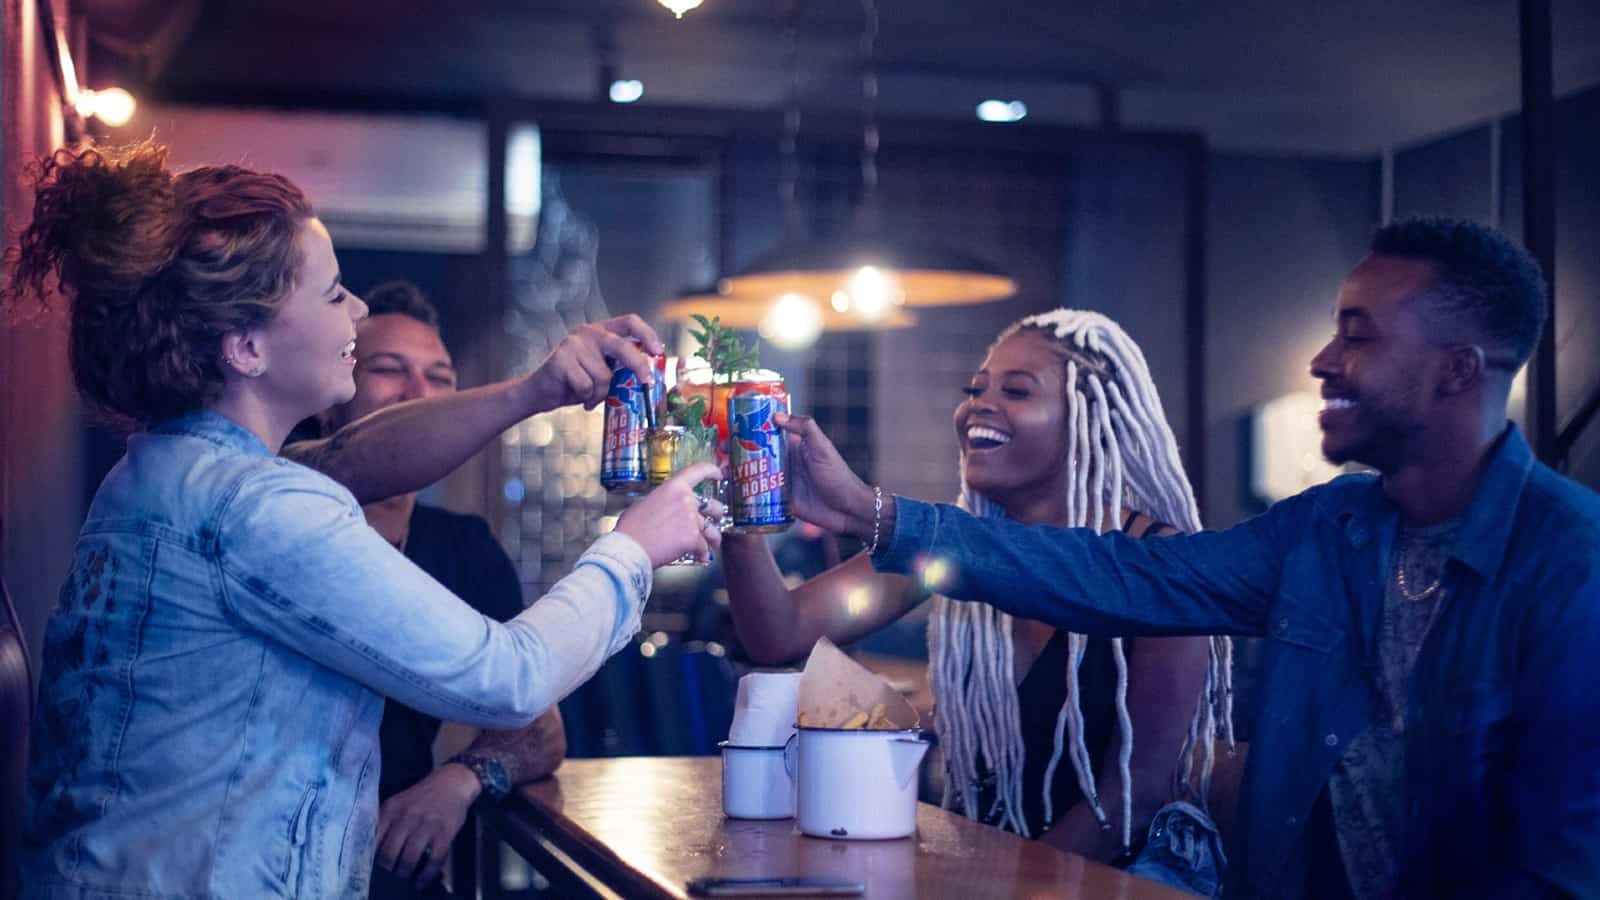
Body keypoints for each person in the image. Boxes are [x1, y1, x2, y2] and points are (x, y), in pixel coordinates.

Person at [776, 217, 1600, 898]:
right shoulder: (1329, 526)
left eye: (1357, 337)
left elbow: (1559, 859)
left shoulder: (1572, 560)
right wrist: (870, 512)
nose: (1321, 361)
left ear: (1456, 370)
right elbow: (1127, 577)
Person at [7, 141, 723, 899]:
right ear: (247, 346)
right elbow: (507, 678)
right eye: (334, 293)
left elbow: (351, 456)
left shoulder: (155, 472)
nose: (356, 310)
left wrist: (536, 388)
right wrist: (635, 546)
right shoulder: (259, 508)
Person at [722, 310, 1230, 862]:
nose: (978, 406)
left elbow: (1135, 799)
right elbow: (779, 632)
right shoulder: (943, 554)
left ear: (1093, 419)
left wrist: (1004, 886)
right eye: (975, 389)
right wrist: (740, 502)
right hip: (978, 868)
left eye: (1016, 390)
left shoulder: (1158, 566)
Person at [300, 281, 564, 897]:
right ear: (333, 398)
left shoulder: (463, 545)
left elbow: (542, 725)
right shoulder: (289, 517)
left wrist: (460, 780)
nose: (420, 395)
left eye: (440, 378)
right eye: (389, 370)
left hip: (395, 866)